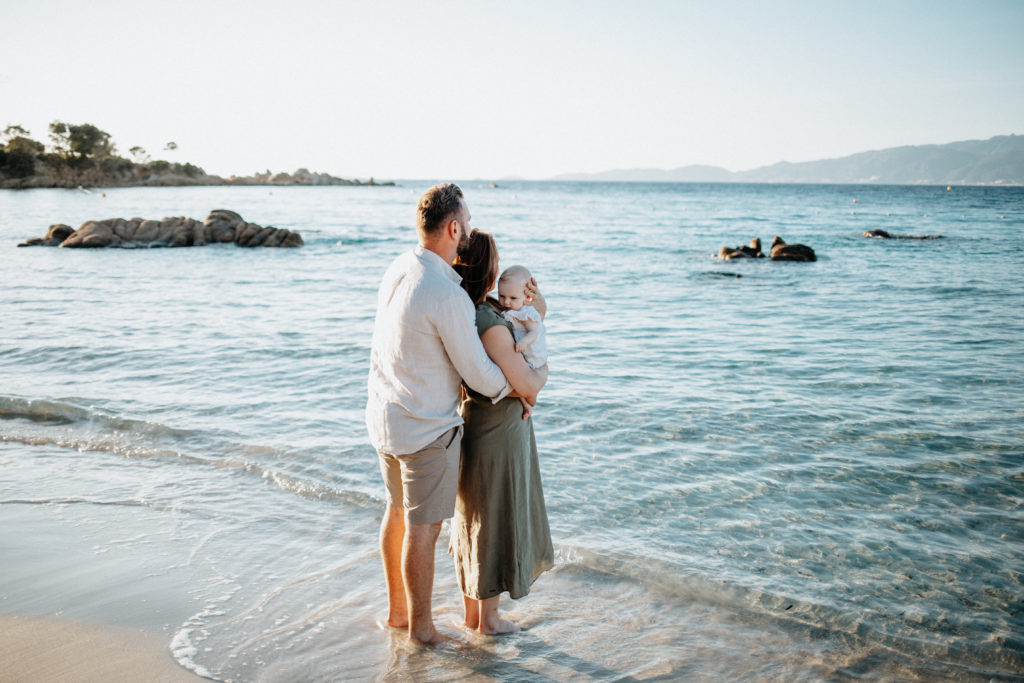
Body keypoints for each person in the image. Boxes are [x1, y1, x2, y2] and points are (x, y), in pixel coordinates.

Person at [366, 184, 545, 644]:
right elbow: (484, 377)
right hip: (425, 426)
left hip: (386, 415)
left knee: (398, 513)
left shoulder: (400, 267)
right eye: (466, 221)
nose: (468, 228)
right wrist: (525, 387)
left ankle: (399, 615)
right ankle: (422, 632)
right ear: (453, 227)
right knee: (423, 529)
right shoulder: (446, 294)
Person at [449, 229, 555, 635]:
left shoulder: (471, 308)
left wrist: (536, 308)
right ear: (489, 270)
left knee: (475, 517)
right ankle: (489, 621)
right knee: (492, 517)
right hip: (498, 430)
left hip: (480, 420)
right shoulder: (489, 321)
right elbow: (526, 382)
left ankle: (474, 616)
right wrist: (542, 374)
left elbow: (526, 332)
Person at [497, 265, 548, 418]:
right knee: (513, 380)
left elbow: (534, 331)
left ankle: (530, 403)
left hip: (531, 356)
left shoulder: (526, 313)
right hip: (522, 355)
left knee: (520, 383)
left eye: (513, 298)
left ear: (527, 297)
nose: (506, 302)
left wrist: (524, 342)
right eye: (501, 296)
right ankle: (526, 407)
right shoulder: (509, 311)